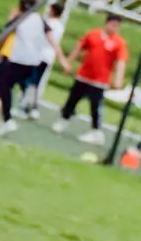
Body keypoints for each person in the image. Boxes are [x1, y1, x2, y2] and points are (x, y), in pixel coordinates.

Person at [53, 12, 130, 145]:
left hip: (100, 81)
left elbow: (121, 61)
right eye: (112, 25)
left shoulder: (119, 43)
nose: (114, 28)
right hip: (83, 76)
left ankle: (96, 132)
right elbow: (79, 48)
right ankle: (63, 120)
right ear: (106, 23)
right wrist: (69, 63)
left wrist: (119, 79)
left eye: (117, 26)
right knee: (72, 100)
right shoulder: (93, 35)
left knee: (95, 106)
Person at [0, 0, 54, 136]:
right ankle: (30, 107)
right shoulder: (39, 20)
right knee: (26, 83)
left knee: (6, 86)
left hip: (18, 59)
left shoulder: (21, 18)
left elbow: (6, 33)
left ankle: (7, 119)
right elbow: (50, 38)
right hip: (33, 61)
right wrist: (62, 58)